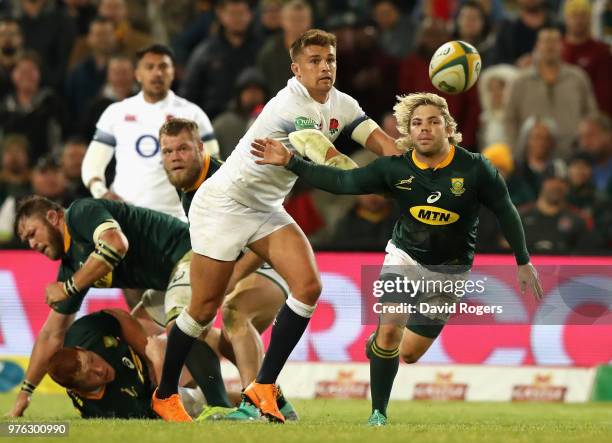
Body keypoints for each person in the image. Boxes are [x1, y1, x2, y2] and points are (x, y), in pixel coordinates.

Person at [152, 29, 400, 423]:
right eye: (315, 61)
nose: (325, 67)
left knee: (309, 286)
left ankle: (263, 388)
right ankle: (164, 395)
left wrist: (418, 169)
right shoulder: (290, 106)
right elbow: (330, 161)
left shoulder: (343, 103)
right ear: (296, 69)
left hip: (265, 206)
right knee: (202, 311)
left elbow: (387, 146)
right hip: (223, 206)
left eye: (330, 59)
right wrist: (385, 187)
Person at [251, 92, 543, 426]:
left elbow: (506, 210)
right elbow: (344, 182)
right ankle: (379, 413)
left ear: (448, 127)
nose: (425, 129)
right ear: (407, 130)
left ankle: (378, 346)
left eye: (434, 121)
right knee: (391, 331)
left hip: (450, 270)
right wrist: (291, 162)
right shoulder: (395, 169)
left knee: (409, 353)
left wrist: (523, 260)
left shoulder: (475, 168)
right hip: (404, 256)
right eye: (417, 123)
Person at [7, 196, 227, 419]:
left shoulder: (80, 213)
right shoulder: (73, 264)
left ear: (53, 217)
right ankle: (235, 366)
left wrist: (68, 288)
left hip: (192, 253)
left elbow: (115, 243)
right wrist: (25, 393)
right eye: (26, 241)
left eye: (32, 234)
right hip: (170, 280)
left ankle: (222, 406)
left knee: (179, 330)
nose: (32, 245)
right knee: (145, 327)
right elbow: (51, 335)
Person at [157, 117, 297, 421]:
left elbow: (262, 236)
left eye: (182, 149)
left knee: (235, 313)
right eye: (167, 152)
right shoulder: (189, 188)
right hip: (248, 263)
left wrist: (231, 277)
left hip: (273, 261)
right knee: (211, 337)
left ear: (200, 147)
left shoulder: (224, 180)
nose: (175, 157)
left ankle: (253, 404)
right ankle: (277, 401)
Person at [80, 44, 219, 221]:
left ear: (173, 72)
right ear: (137, 74)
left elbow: (214, 167)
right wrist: (101, 192)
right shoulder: (116, 112)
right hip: (126, 217)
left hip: (177, 219)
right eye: (150, 67)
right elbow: (93, 162)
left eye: (163, 66)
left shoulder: (193, 114)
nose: (157, 73)